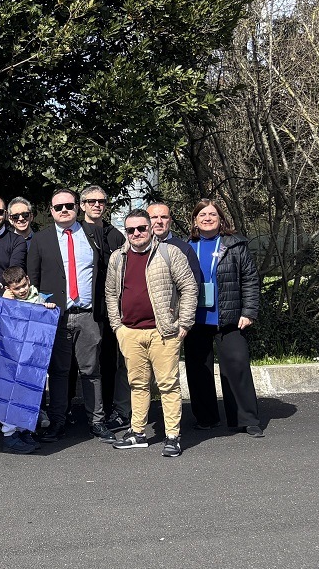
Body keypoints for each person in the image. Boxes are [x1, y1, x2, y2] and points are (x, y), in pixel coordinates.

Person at [106, 209, 198, 456]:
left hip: (164, 332)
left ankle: (172, 436)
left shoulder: (169, 253)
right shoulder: (118, 258)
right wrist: (118, 327)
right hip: (131, 333)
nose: (136, 233)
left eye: (141, 228)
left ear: (150, 228)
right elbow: (111, 294)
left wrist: (184, 323)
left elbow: (189, 287)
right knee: (137, 385)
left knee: (168, 385)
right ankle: (137, 432)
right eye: (131, 230)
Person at [27, 189, 108, 442]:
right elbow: (34, 280)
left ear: (78, 207)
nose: (64, 210)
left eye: (69, 205)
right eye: (58, 206)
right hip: (56, 316)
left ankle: (97, 421)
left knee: (91, 370)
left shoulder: (93, 234)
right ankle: (57, 422)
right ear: (51, 211)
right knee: (59, 372)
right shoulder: (41, 240)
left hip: (88, 315)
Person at [184, 199, 265, 438]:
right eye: (203, 215)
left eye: (212, 214)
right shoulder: (187, 246)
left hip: (228, 317)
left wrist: (249, 312)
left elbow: (250, 279)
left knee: (237, 366)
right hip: (195, 319)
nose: (207, 218)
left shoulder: (235, 244)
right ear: (195, 220)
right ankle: (206, 418)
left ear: (221, 219)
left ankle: (246, 419)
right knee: (199, 370)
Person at [80, 185, 129, 434]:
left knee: (109, 359)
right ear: (82, 205)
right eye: (91, 201)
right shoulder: (76, 233)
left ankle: (109, 408)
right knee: (87, 363)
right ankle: (82, 410)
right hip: (85, 308)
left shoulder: (116, 235)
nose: (97, 205)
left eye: (101, 201)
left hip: (111, 308)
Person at [0, 265, 53, 454]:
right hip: (11, 357)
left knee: (27, 394)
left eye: (23, 285)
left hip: (32, 358)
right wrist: (4, 302)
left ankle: (23, 430)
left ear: (27, 279)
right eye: (16, 288)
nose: (22, 290)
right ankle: (9, 435)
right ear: (8, 288)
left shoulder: (40, 299)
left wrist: (47, 308)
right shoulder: (4, 301)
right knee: (11, 394)